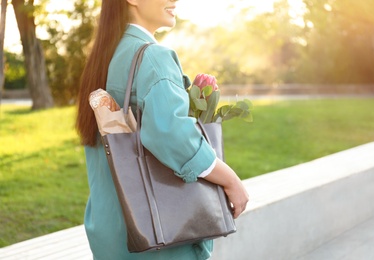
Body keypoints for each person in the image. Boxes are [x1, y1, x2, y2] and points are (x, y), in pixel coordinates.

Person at [75, 0, 249, 259]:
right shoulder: (153, 57)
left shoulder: (103, 57)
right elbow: (174, 136)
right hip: (158, 237)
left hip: (110, 233)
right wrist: (231, 180)